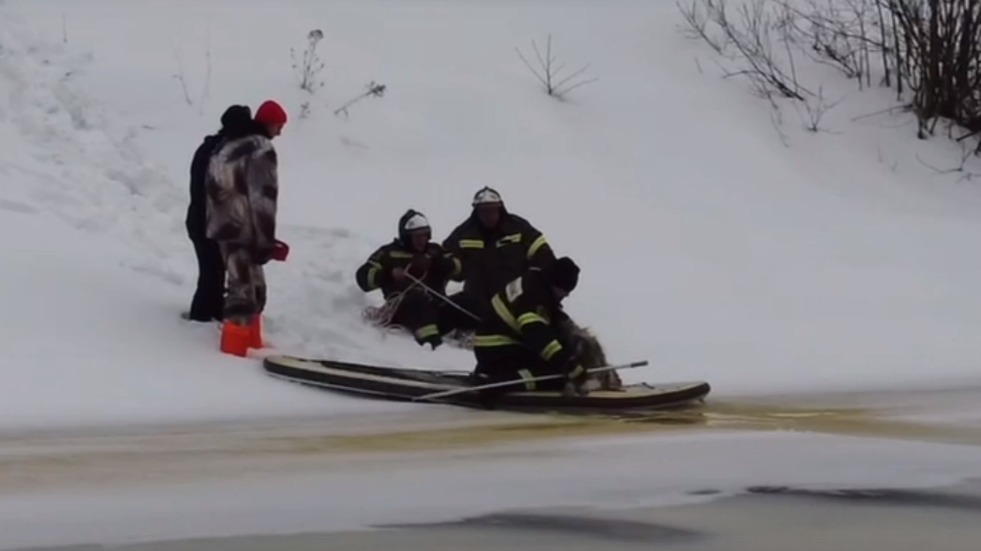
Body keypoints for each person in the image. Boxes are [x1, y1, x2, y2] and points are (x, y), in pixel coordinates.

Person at [206, 99, 289, 356]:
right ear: (269, 123)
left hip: (221, 225)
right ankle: (237, 350)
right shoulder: (261, 149)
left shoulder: (228, 144)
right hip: (244, 229)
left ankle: (248, 342)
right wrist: (265, 241)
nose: (280, 132)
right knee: (247, 291)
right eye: (279, 125)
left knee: (242, 285)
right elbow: (262, 197)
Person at [470, 256, 593, 399]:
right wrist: (567, 364)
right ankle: (497, 385)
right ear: (556, 284)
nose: (566, 295)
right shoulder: (534, 295)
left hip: (492, 345)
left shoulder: (535, 283)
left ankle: (493, 374)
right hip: (497, 347)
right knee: (553, 375)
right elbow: (537, 334)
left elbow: (548, 324)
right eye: (565, 290)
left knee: (552, 364)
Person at [441, 186, 557, 332]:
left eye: (492, 210)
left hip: (514, 298)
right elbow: (447, 256)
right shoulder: (464, 233)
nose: (488, 215)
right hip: (477, 299)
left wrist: (535, 279)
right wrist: (449, 265)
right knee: (444, 310)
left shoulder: (519, 228)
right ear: (476, 211)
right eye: (484, 211)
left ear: (500, 208)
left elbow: (543, 253)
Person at [355, 209, 466, 349]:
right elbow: (363, 278)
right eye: (417, 236)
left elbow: (460, 270)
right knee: (418, 299)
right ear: (407, 237)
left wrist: (439, 263)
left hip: (436, 306)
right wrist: (389, 274)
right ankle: (433, 346)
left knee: (467, 300)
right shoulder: (388, 253)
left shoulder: (435, 251)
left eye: (425, 235)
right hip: (404, 308)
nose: (422, 240)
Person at [184, 104, 254, 323]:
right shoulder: (220, 153)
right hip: (206, 222)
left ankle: (211, 314)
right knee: (211, 274)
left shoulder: (210, 147)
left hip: (200, 220)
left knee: (214, 272)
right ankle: (200, 319)